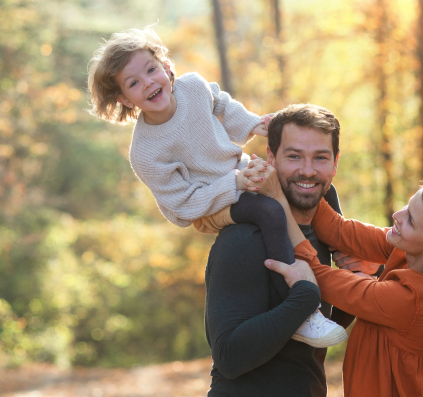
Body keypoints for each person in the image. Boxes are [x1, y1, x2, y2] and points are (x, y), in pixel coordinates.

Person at [86, 26, 346, 347]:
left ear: (166, 68)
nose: (149, 82)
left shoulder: (193, 87)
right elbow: (183, 204)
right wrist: (235, 182)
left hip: (238, 172)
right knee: (268, 210)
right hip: (208, 202)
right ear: (125, 99)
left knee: (306, 184)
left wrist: (253, 124)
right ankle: (301, 312)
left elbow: (221, 104)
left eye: (151, 70)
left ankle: (348, 258)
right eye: (134, 83)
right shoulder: (146, 152)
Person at [266, 176, 423, 397]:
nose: (397, 215)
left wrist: (278, 199)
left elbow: (316, 274)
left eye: (411, 219)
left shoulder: (409, 302)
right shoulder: (420, 252)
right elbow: (337, 229)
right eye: (407, 205)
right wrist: (310, 176)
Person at [204, 104, 370, 396]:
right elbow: (229, 357)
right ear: (271, 157)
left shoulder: (323, 235)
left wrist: (364, 277)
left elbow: (322, 331)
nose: (307, 170)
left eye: (320, 157)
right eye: (294, 156)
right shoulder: (245, 237)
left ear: (335, 162)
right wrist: (304, 296)